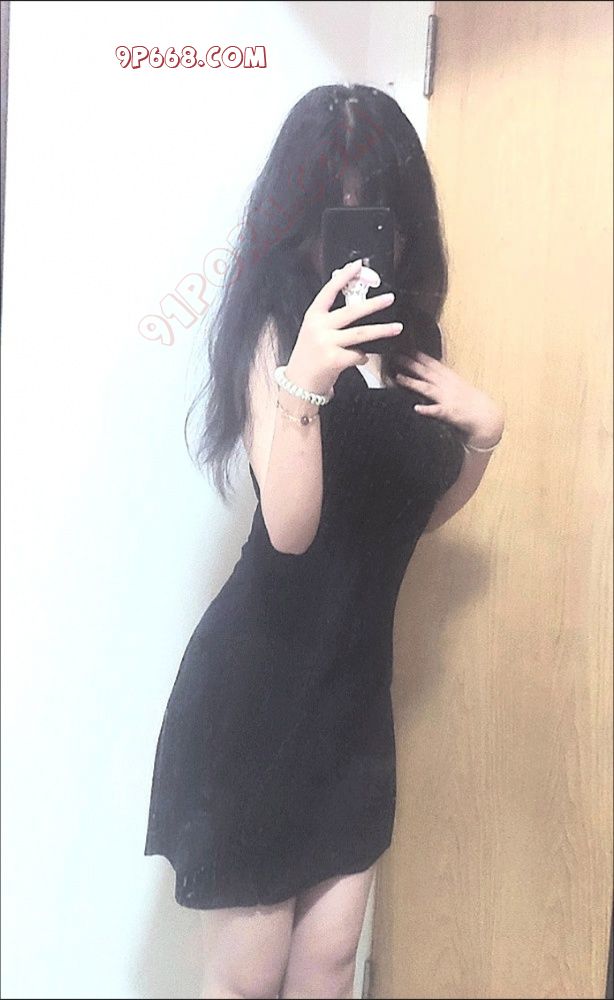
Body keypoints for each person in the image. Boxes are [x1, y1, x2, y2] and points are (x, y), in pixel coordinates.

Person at [144, 83, 505, 1000]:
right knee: (249, 977)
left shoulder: (411, 340)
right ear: (296, 221)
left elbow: (417, 514)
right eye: (330, 215)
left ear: (405, 222)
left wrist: (483, 439)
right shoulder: (273, 333)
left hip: (352, 701)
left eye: (374, 213)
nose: (352, 243)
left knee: (330, 964)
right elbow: (291, 530)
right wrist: (304, 380)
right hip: (258, 695)